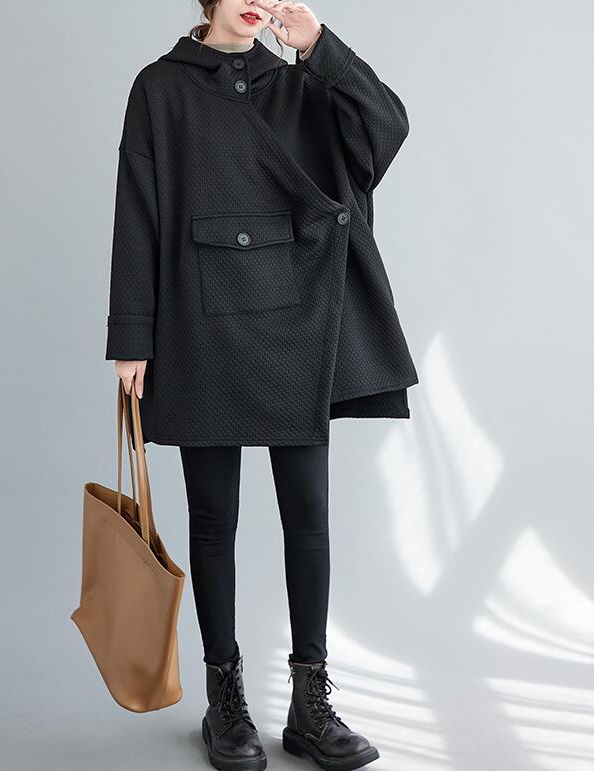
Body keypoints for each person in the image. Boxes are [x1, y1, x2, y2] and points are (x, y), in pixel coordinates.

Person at [106, 1, 419, 768]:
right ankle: (226, 701)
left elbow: (384, 130)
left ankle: (310, 704)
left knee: (307, 517)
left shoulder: (302, 83)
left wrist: (319, 46)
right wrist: (131, 334)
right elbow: (138, 209)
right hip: (199, 321)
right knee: (213, 519)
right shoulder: (160, 87)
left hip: (297, 322)